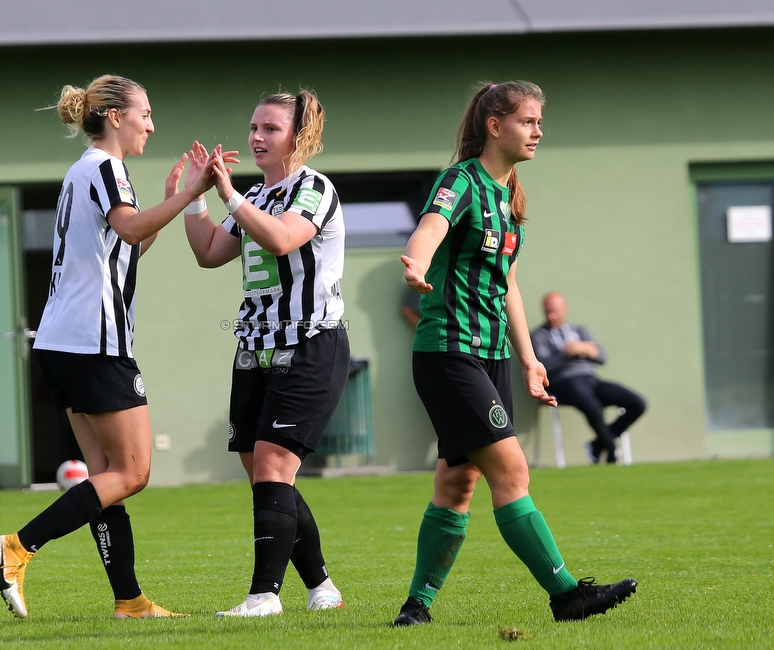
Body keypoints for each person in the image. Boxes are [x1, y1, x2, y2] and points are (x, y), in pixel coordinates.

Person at [0, 74, 226, 620]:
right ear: (115, 116)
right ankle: (15, 548)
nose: (151, 124)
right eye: (145, 112)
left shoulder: (83, 170)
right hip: (94, 343)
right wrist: (191, 195)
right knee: (133, 472)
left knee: (105, 477)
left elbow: (124, 243)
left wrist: (166, 203)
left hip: (63, 341)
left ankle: (129, 600)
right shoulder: (107, 167)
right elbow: (131, 230)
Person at [394, 81, 637, 627]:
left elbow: (508, 287)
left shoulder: (509, 198)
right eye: (528, 121)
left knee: (458, 484)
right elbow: (429, 228)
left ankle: (417, 606)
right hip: (449, 352)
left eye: (539, 121)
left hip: (494, 355)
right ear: (495, 126)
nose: (538, 131)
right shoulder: (461, 181)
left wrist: (529, 360)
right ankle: (567, 595)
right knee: (513, 472)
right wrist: (414, 261)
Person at [182, 91, 348, 617]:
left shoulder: (313, 188)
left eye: (270, 128)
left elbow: (281, 240)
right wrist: (194, 197)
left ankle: (263, 596)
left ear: (298, 137)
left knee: (275, 466)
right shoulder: (259, 193)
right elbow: (210, 253)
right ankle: (321, 586)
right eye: (253, 126)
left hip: (309, 343)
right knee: (264, 475)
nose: (255, 136)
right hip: (255, 347)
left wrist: (230, 196)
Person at [530, 291, 647, 464]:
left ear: (565, 308)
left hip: (591, 379)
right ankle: (611, 449)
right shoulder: (539, 335)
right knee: (592, 406)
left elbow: (601, 357)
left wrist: (586, 348)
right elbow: (543, 364)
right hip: (564, 383)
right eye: (547, 311)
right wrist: (569, 352)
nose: (551, 315)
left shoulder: (580, 331)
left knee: (637, 403)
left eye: (555, 310)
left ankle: (598, 444)